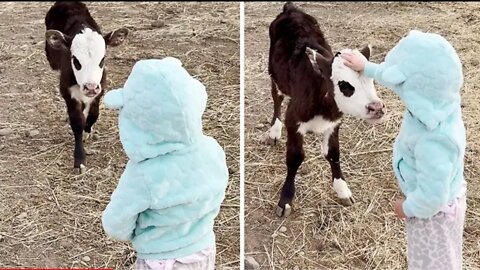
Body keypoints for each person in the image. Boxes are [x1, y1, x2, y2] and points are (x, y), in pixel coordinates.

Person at [341, 30, 467, 270]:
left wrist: (407, 208)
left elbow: (433, 197)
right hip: (441, 200)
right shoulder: (440, 99)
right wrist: (366, 67)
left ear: (414, 90)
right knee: (445, 257)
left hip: (432, 217)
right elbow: (400, 77)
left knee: (432, 264)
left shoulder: (434, 142)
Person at [101, 57, 229, 270]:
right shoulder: (212, 149)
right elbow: (218, 191)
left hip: (159, 260)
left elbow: (115, 223)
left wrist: (139, 233)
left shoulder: (143, 173)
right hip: (203, 249)